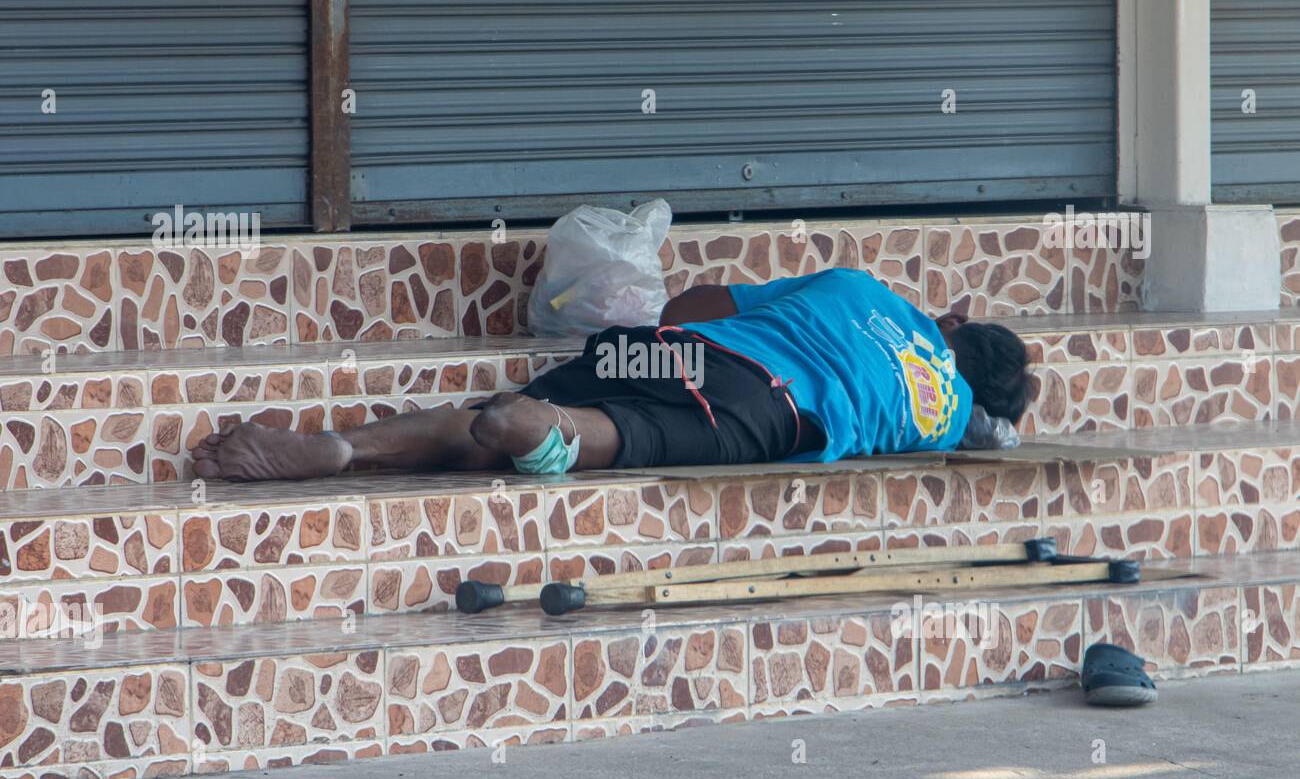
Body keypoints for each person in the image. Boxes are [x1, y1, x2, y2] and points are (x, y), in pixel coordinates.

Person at [190, 267, 1032, 482]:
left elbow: (699, 299)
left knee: (557, 398)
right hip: (773, 409)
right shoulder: (951, 409)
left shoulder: (860, 289)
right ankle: (534, 431)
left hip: (692, 351)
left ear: (951, 321)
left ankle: (342, 447)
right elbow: (1000, 432)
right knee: (626, 438)